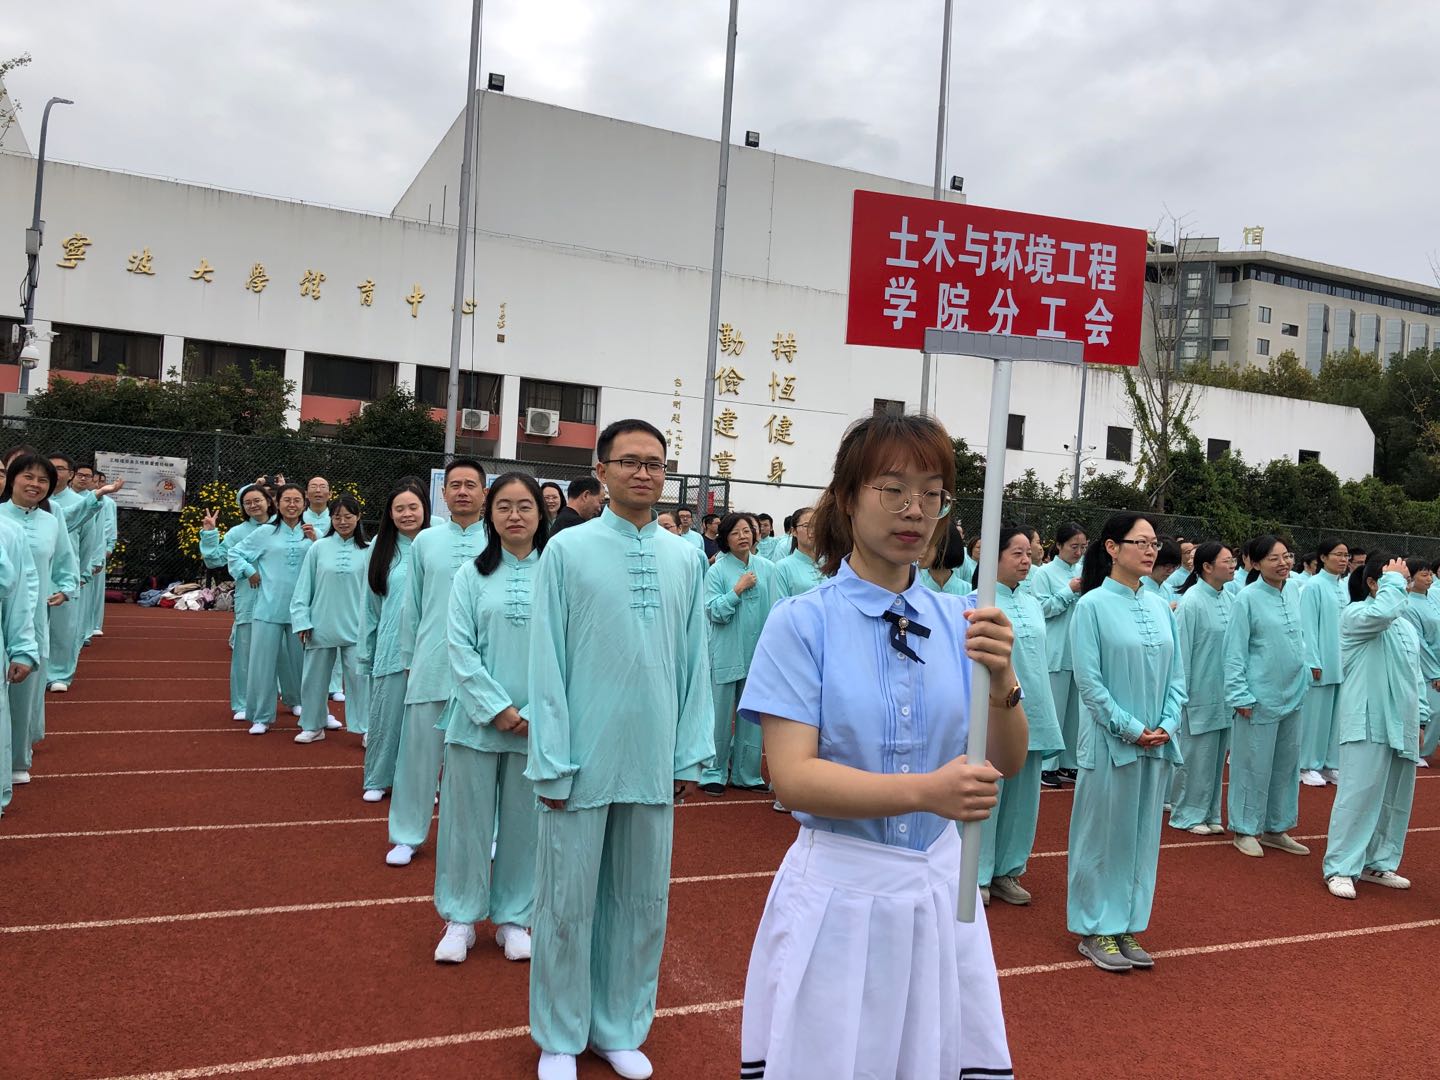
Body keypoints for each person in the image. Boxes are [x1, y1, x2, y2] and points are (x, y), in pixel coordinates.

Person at [737, 411, 1020, 1077]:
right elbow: (794, 779)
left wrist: (1004, 678)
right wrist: (927, 792)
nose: (914, 509)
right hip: (841, 894)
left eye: (932, 492)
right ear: (846, 497)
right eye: (892, 489)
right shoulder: (802, 623)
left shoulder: (964, 620)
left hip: (940, 896)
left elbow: (1007, 759)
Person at [526, 420, 712, 1080]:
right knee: (566, 902)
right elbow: (545, 660)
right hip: (580, 757)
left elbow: (695, 660)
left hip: (653, 756)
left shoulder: (685, 557)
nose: (643, 473)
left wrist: (689, 753)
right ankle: (558, 1035)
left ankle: (619, 1026)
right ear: (601, 471)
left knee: (641, 902)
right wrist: (551, 758)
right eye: (630, 461)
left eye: (655, 463)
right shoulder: (567, 550)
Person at [433, 473, 548, 965]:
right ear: (489, 513)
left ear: (541, 514)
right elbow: (458, 647)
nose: (514, 515)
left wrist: (536, 711)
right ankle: (460, 917)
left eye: (525, 506)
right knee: (465, 823)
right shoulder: (470, 575)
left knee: (526, 825)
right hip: (475, 722)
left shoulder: (557, 573)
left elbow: (570, 650)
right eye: (504, 506)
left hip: (537, 724)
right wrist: (495, 707)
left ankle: (514, 918)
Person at [1067, 513, 1185, 972]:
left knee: (1141, 837)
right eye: (1142, 542)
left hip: (1156, 743)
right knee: (1102, 837)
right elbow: (1090, 683)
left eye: (1155, 543)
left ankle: (1127, 923)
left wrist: (1168, 723)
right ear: (1113, 548)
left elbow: (1178, 677)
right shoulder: (1092, 606)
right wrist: (1131, 728)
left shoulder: (1159, 606)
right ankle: (1095, 926)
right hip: (1110, 743)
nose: (1151, 550)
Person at [387, 459, 488, 866]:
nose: (462, 491)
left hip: (484, 666)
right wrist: (409, 658)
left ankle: (488, 834)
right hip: (431, 659)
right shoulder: (426, 541)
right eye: (455, 485)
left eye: (470, 485)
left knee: (483, 758)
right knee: (417, 754)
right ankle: (406, 834)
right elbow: (411, 606)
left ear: (484, 493)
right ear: (443, 494)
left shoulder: (499, 537)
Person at [1323, 554, 1422, 899]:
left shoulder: (1406, 627)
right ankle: (1340, 867)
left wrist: (1421, 715)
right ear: (1372, 583)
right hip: (1367, 719)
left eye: (1406, 580)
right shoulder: (1355, 615)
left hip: (1402, 721)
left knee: (1396, 798)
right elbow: (1381, 613)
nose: (1404, 586)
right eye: (1398, 580)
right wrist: (1393, 581)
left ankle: (1378, 861)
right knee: (1358, 794)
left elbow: (1414, 676)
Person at [978, 525, 1063, 907]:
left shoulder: (1031, 602)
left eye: (1029, 553)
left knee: (1024, 801)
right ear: (993, 557)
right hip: (996, 713)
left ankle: (1008, 870)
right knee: (989, 794)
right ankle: (978, 871)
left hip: (1036, 711)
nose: (1026, 560)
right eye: (1017, 553)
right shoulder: (980, 601)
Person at [1223, 535, 1309, 859]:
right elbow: (1234, 650)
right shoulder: (1246, 598)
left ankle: (1276, 827)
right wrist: (1239, 694)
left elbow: (1300, 638)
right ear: (1256, 563)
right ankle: (1245, 829)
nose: (1283, 563)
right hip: (1258, 696)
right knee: (1252, 765)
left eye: (1287, 556)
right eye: (1274, 558)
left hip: (1293, 694)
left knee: (1286, 766)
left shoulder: (1295, 591)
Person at [358, 482, 430, 802]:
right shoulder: (381, 546)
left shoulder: (436, 542)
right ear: (390, 513)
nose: (407, 514)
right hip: (391, 644)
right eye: (399, 509)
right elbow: (370, 604)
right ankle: (378, 777)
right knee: (386, 715)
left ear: (425, 508)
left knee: (424, 720)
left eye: (413, 507)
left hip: (429, 644)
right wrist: (367, 651)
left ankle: (423, 782)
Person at [0, 454, 69, 788]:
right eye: (28, 476)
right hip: (3, 612)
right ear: (12, 479)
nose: (35, 484)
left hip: (34, 616)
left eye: (43, 480)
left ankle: (17, 758)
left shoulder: (51, 522)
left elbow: (65, 559)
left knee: (25, 689)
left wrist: (65, 587)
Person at [701, 512, 779, 796]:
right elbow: (713, 611)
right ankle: (714, 771)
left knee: (752, 716)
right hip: (726, 652)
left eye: (747, 531)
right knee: (720, 716)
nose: (743, 536)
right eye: (735, 532)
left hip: (757, 654)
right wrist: (737, 590)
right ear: (725, 539)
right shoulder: (717, 571)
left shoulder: (768, 568)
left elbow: (776, 610)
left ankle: (747, 773)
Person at [230, 484, 311, 735]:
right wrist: (249, 571)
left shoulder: (313, 533)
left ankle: (303, 704)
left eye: (297, 500)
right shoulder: (265, 532)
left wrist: (316, 540)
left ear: (304, 503)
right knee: (262, 664)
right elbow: (235, 553)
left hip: (301, 610)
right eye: (287, 500)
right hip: (268, 607)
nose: (292, 505)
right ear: (277, 502)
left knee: (303, 662)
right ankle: (261, 715)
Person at [290, 495, 370, 744]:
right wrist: (302, 620)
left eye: (348, 516)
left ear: (358, 517)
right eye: (337, 517)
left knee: (361, 681)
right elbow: (304, 586)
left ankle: (367, 728)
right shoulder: (318, 548)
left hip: (357, 627)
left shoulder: (369, 550)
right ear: (330, 519)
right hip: (320, 624)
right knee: (314, 679)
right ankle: (313, 725)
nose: (343, 522)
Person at [1168, 542, 1236, 835]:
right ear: (1207, 567)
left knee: (1216, 757)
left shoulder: (1230, 598)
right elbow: (1181, 652)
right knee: (1196, 756)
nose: (1232, 566)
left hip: (1224, 691)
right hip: (1198, 691)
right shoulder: (1192, 602)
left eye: (1233, 560)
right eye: (1226, 561)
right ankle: (1185, 813)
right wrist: (1182, 693)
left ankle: (1210, 812)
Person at [200, 484, 277, 720]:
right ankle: (243, 703)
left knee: (285, 651)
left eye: (257, 500)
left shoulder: (283, 526)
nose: (253, 505)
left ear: (268, 501)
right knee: (245, 652)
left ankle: (291, 698)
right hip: (250, 598)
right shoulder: (237, 532)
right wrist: (210, 534)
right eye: (247, 502)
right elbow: (214, 560)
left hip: (281, 599)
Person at [45, 455, 121, 692]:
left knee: (64, 626)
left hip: (66, 570)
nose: (55, 473)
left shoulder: (80, 503)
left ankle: (59, 673)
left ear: (70, 474)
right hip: (36, 572)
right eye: (51, 468)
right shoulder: (36, 500)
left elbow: (90, 539)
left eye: (61, 469)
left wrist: (85, 569)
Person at [1029, 522, 1087, 788]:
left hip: (1079, 649)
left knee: (1075, 713)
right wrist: (1068, 591)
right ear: (1060, 545)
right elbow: (1041, 608)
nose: (1078, 552)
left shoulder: (1083, 570)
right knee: (1055, 709)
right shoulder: (1044, 573)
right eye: (1074, 546)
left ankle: (1069, 762)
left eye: (1082, 547)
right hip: (1056, 648)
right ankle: (1047, 765)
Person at [1299, 539, 1349, 786]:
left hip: (1341, 662)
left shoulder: (1343, 587)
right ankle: (1306, 764)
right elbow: (1307, 626)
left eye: (1346, 555)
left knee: (1335, 718)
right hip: (1321, 662)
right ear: (1323, 558)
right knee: (1315, 717)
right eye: (1338, 554)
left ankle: (1330, 763)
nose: (1343, 559)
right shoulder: (1313, 586)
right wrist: (1312, 661)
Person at [1400, 556, 1440, 767]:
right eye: (1424, 575)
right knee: (1432, 710)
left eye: (1430, 574)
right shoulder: (1408, 605)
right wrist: (1434, 672)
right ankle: (1418, 750)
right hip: (1426, 668)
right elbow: (1420, 643)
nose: (1429, 579)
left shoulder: (1433, 597)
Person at [87, 469, 118, 640]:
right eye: (95, 480)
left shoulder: (109, 503)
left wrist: (109, 546)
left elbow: (111, 525)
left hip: (99, 548)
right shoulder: (82, 499)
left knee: (97, 589)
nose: (98, 484)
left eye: (102, 481)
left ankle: (95, 625)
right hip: (82, 546)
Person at [773, 505, 824, 599]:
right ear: (794, 531)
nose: (813, 530)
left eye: (817, 525)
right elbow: (780, 605)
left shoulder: (826, 563)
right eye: (806, 526)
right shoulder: (783, 567)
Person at [919, 517, 970, 595]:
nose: (919, 551)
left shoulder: (969, 591)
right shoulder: (911, 588)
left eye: (927, 545)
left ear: (945, 547)